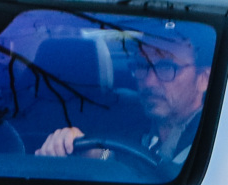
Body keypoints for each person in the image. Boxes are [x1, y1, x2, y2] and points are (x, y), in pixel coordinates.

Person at [36, 31, 210, 162]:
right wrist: (91, 150)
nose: (149, 82)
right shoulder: (128, 121)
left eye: (166, 68)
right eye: (142, 66)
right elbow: (110, 154)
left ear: (203, 79)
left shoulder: (216, 144)